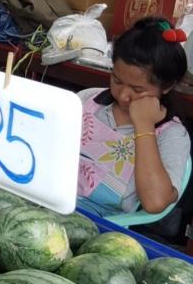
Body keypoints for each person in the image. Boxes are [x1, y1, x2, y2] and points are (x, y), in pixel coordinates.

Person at [77, 17, 191, 217]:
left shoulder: (172, 135)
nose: (123, 95)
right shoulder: (88, 100)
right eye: (117, 80)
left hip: (103, 223)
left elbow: (155, 202)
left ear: (167, 86)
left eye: (138, 90)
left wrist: (144, 125)